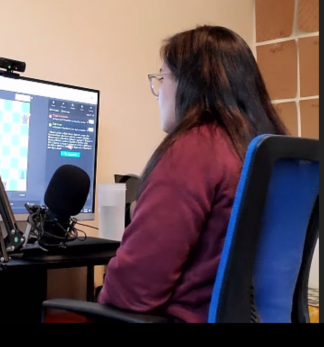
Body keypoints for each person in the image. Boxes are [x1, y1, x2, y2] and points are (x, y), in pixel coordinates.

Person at [96, 25, 287, 323]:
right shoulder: (262, 147)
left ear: (190, 84)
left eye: (162, 78)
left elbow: (134, 291)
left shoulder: (194, 150)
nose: (159, 93)